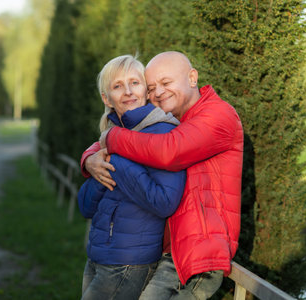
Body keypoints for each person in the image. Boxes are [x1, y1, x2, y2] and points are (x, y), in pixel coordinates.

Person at [81, 51, 244, 299]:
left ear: (192, 78)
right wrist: (90, 158)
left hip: (200, 251)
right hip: (172, 250)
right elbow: (135, 138)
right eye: (152, 87)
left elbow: (170, 150)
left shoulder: (218, 115)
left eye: (166, 84)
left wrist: (110, 141)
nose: (158, 93)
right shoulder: (175, 118)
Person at [78, 54, 186, 300]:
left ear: (146, 91)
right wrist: (94, 164)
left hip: (129, 263)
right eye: (117, 86)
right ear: (107, 98)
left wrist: (115, 158)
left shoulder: (164, 133)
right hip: (96, 257)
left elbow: (164, 201)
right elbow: (85, 206)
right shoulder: (111, 135)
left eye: (134, 83)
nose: (127, 91)